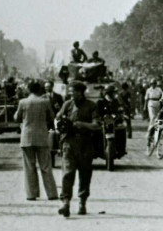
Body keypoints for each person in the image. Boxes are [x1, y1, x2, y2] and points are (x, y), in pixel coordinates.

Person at [56, 81, 101, 217]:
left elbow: (97, 126)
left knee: (85, 174)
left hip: (85, 143)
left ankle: (82, 202)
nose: (72, 94)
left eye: (74, 91)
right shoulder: (67, 105)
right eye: (70, 91)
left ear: (81, 92)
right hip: (69, 143)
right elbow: (58, 118)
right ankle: (66, 203)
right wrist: (61, 121)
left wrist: (81, 124)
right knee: (67, 174)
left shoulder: (91, 106)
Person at [14, 81, 58, 201]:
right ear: (40, 90)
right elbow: (51, 117)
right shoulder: (45, 102)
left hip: (27, 137)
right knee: (46, 166)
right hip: (42, 136)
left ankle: (31, 194)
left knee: (29, 167)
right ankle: (52, 193)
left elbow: (16, 118)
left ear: (28, 89)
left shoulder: (23, 102)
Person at [144, 78, 163, 145]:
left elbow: (162, 96)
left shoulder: (159, 89)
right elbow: (146, 99)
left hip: (157, 103)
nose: (153, 85)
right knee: (152, 117)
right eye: (152, 84)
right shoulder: (149, 90)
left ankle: (155, 134)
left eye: (154, 84)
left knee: (158, 119)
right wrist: (144, 107)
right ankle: (149, 132)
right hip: (151, 103)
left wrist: (161, 102)